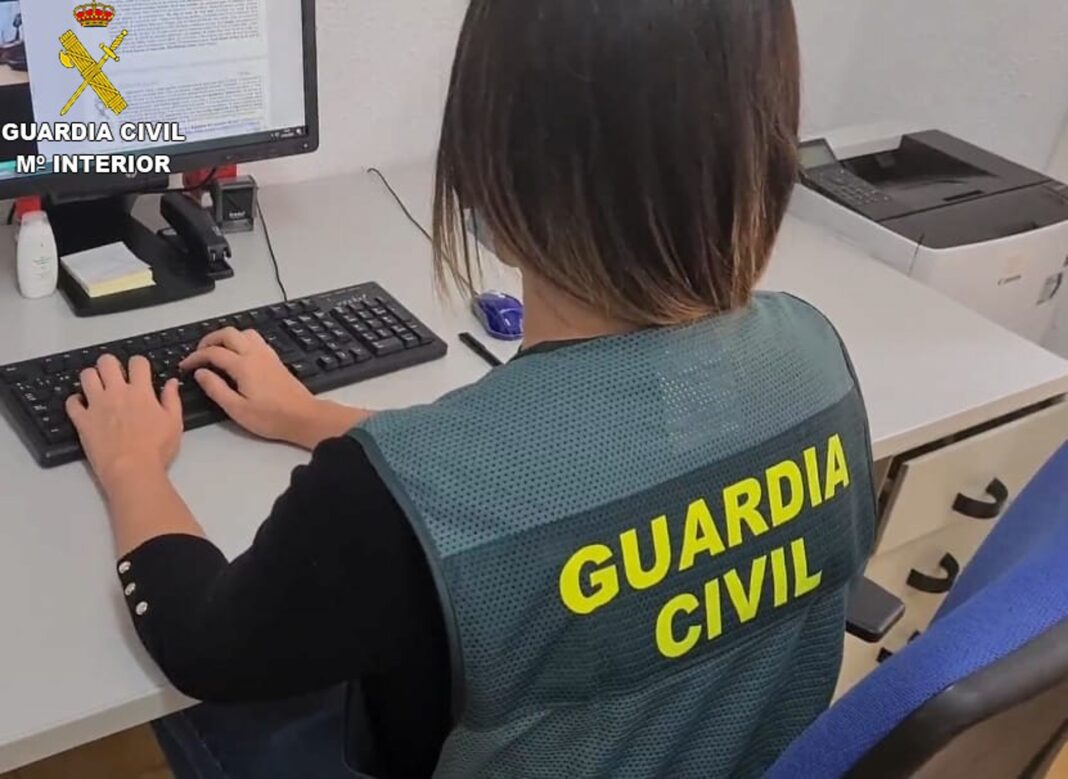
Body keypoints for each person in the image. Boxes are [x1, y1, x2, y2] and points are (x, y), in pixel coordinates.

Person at [66, 1, 877, 777]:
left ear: (498, 162)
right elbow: (559, 476)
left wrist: (133, 462)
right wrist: (312, 415)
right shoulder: (817, 358)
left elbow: (203, 644)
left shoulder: (375, 499)